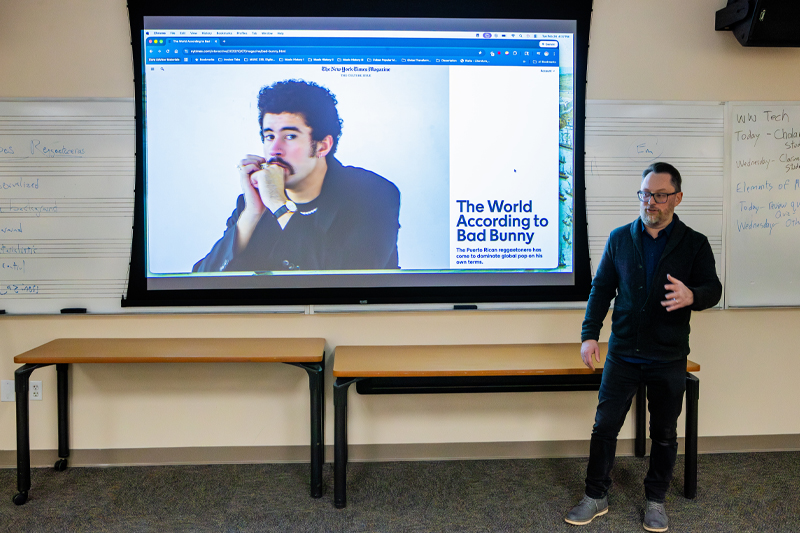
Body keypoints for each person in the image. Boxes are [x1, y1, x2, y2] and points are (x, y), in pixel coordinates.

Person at [565, 162, 722, 532]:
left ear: (677, 198)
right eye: (645, 194)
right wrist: (589, 334)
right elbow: (601, 289)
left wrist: (692, 295)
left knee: (664, 432)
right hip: (623, 353)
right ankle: (595, 495)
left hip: (668, 355)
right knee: (604, 427)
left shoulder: (694, 243)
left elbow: (714, 290)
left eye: (660, 195)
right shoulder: (621, 238)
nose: (650, 202)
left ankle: (655, 500)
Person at [193, 79, 400, 273]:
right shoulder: (254, 202)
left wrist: (278, 204)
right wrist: (252, 213)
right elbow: (201, 283)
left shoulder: (374, 194)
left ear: (322, 146)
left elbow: (352, 277)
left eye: (290, 136)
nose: (274, 149)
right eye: (269, 136)